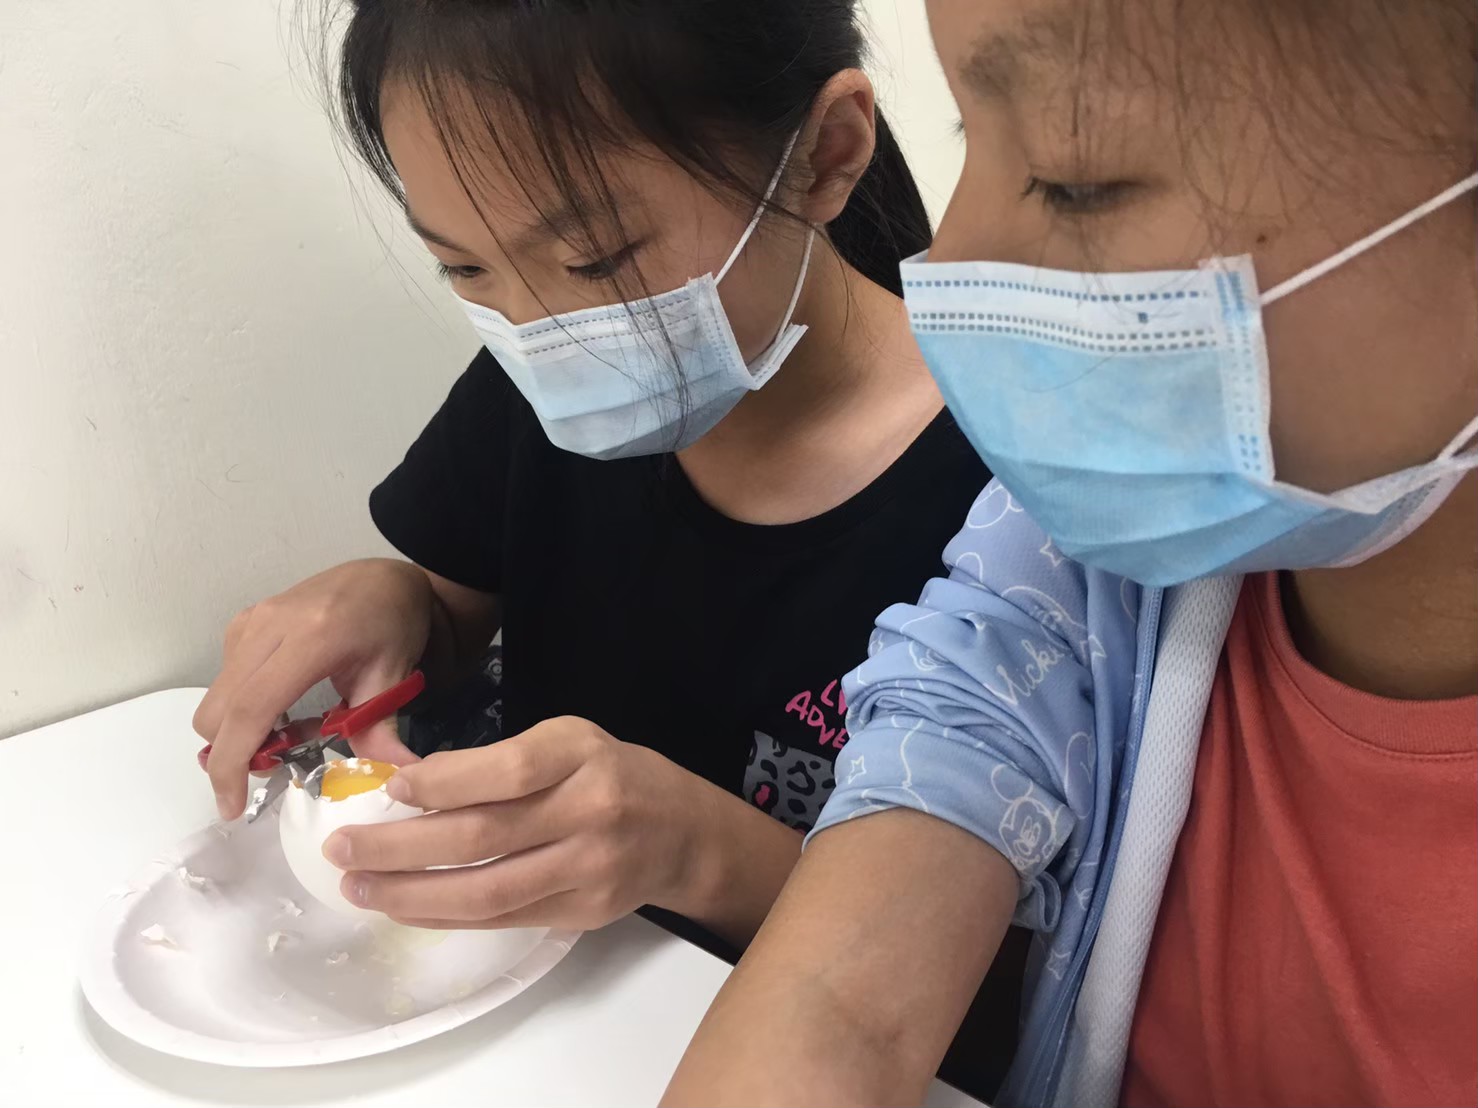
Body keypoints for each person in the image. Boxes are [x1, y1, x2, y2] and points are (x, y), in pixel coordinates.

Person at [193, 0, 1022, 1097]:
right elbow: (449, 608)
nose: (543, 333)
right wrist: (390, 600)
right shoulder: (540, 383)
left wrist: (700, 852)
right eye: (465, 271)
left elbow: (1027, 1001)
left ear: (824, 155)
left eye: (596, 258)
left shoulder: (1014, 503)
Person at [664, 1, 1478, 1105]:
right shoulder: (1084, 563)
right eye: (966, 133)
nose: (950, 254)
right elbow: (842, 1001)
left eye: (1072, 176)